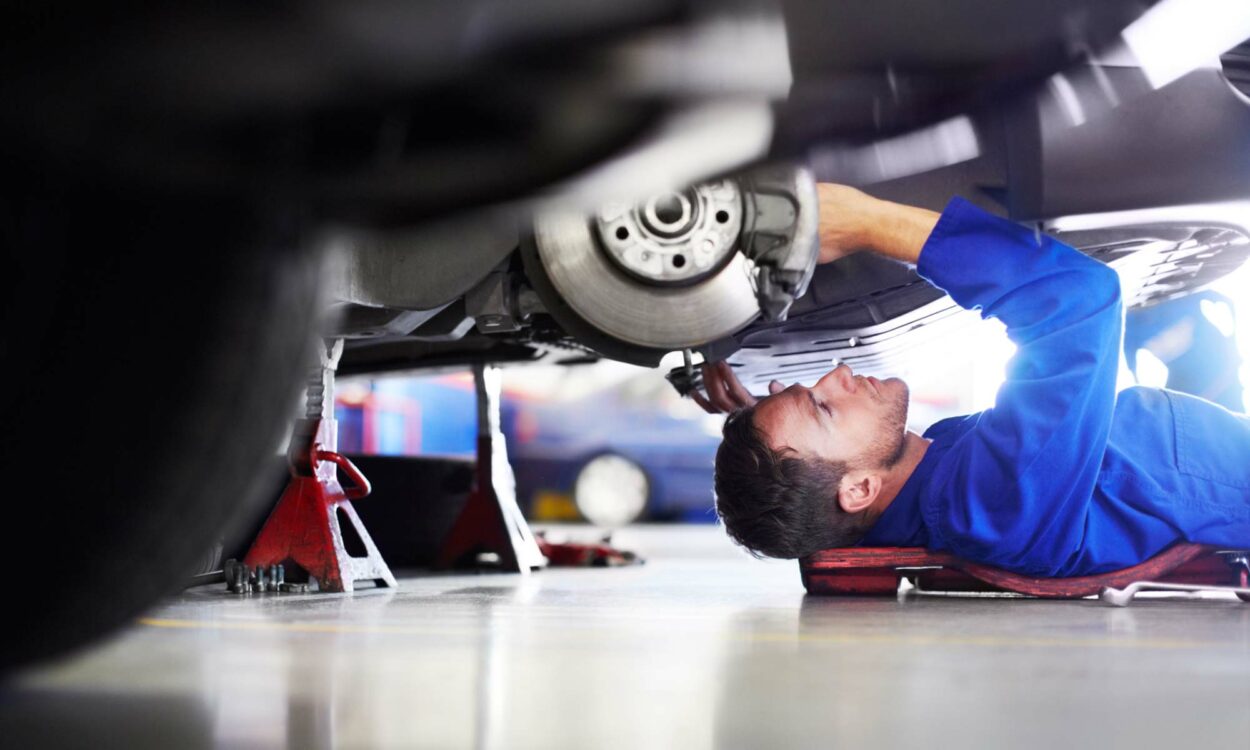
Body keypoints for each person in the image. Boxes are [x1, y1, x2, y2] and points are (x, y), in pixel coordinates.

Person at [696, 184, 1250, 577]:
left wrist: (725, 347)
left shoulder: (936, 481)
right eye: (824, 407)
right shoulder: (994, 503)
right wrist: (869, 222)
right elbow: (1080, 301)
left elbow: (797, 473)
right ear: (859, 489)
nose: (837, 374)